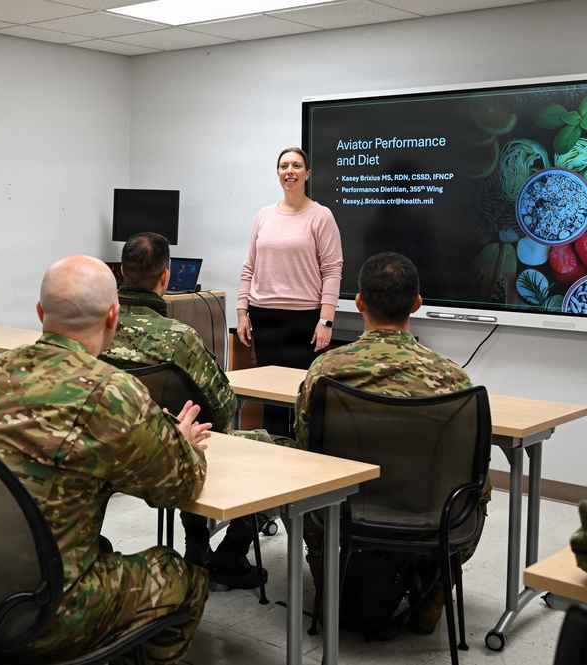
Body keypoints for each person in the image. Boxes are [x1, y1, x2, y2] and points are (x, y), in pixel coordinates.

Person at [0, 254, 212, 664]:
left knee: (102, 546)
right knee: (179, 575)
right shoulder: (111, 390)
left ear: (40, 313)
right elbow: (180, 486)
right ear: (114, 316)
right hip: (44, 611)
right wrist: (179, 441)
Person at [294, 251, 489, 634]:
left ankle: (326, 588)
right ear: (417, 303)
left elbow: (306, 443)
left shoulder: (326, 369)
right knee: (481, 484)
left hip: (343, 508)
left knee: (301, 475)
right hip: (427, 511)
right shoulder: (453, 378)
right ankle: (435, 596)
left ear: (359, 302)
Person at [101, 232, 283, 590]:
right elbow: (224, 406)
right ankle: (230, 553)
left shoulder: (97, 327)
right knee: (278, 448)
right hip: (176, 451)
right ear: (166, 277)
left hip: (116, 451)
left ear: (121, 272)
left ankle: (197, 545)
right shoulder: (178, 337)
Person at [237, 146, 343, 437]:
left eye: (296, 166)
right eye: (284, 166)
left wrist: (326, 320)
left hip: (304, 319)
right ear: (278, 173)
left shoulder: (321, 216)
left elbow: (332, 271)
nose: (290, 172)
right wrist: (242, 312)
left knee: (300, 395)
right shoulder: (263, 215)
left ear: (307, 173)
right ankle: (274, 454)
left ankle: (300, 454)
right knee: (270, 396)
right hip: (264, 316)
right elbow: (249, 267)